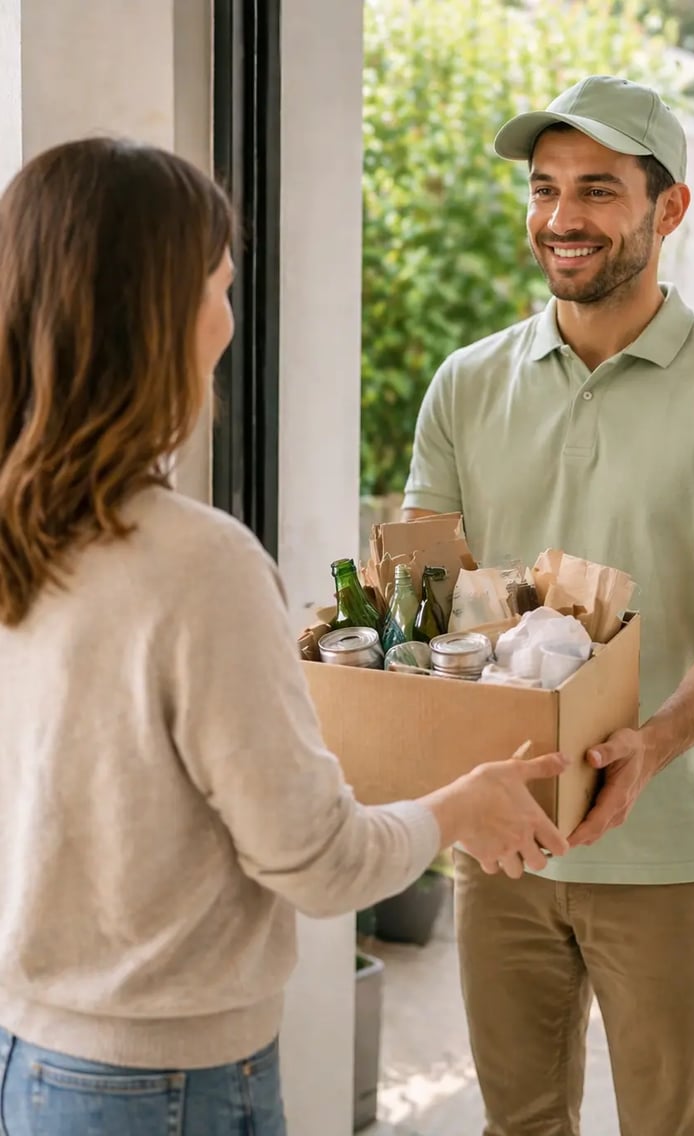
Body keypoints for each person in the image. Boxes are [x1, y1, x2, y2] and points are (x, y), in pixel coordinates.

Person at [0, 139, 571, 1136]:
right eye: (220, 285)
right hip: (165, 1087)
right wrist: (455, 806)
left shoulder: (27, 531)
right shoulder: (196, 562)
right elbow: (317, 863)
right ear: (159, 316)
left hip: (30, 1055)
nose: (229, 317)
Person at [402, 75, 694, 1136]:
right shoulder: (466, 385)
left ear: (670, 209)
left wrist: (649, 745)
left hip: (665, 847)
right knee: (517, 1122)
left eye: (599, 190)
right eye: (545, 187)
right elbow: (421, 590)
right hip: (501, 836)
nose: (562, 218)